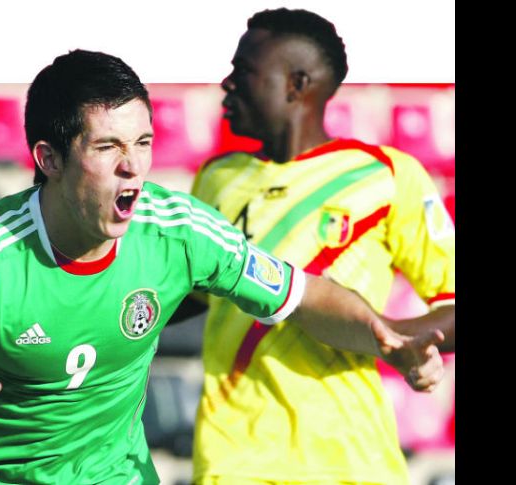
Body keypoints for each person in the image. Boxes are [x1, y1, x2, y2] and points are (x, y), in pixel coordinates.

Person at [0, 49, 444, 485]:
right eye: (107, 147)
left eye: (144, 142)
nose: (134, 167)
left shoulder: (178, 231)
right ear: (48, 158)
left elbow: (304, 295)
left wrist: (387, 338)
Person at [179, 8, 455, 485]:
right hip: (233, 459)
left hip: (350, 458)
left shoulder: (385, 176)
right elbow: (187, 295)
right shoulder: (214, 179)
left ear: (296, 83)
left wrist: (398, 339)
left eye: (243, 70)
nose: (226, 84)